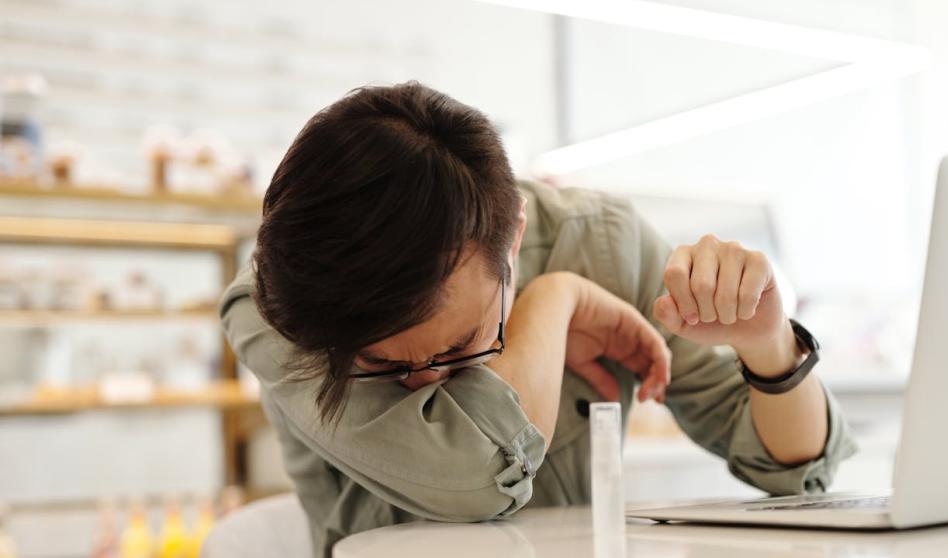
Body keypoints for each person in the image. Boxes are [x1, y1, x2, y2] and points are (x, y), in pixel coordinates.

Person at [219, 81, 856, 557]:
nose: (424, 383)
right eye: (382, 365)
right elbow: (474, 480)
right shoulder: (275, 307)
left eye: (463, 348)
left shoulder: (601, 242)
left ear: (515, 237)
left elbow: (795, 472)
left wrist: (766, 340)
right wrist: (555, 304)